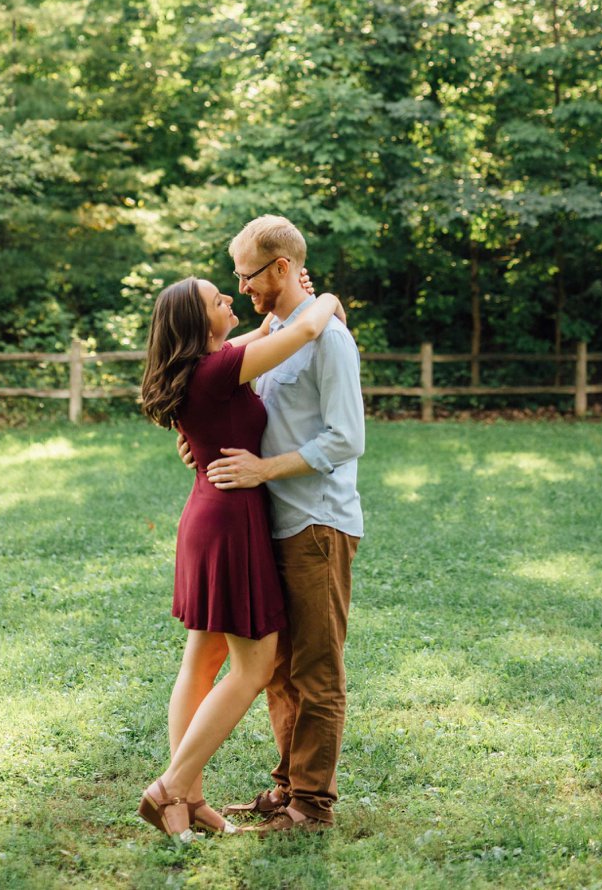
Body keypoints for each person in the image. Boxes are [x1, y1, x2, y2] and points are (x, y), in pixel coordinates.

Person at [137, 271, 345, 842]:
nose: (228, 299)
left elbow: (268, 329)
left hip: (208, 515)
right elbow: (302, 331)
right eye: (216, 299)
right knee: (253, 668)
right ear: (198, 323)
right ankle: (171, 788)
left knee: (201, 663)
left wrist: (290, 294)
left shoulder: (202, 366)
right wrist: (327, 297)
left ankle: (193, 800)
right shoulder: (221, 366)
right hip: (230, 525)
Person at [180, 214, 365, 833]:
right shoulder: (277, 333)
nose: (242, 286)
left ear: (281, 268)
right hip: (270, 525)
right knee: (280, 670)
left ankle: (313, 805)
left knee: (316, 669)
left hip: (317, 522)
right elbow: (226, 403)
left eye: (248, 274)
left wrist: (264, 471)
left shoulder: (327, 339)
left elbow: (346, 438)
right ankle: (287, 789)